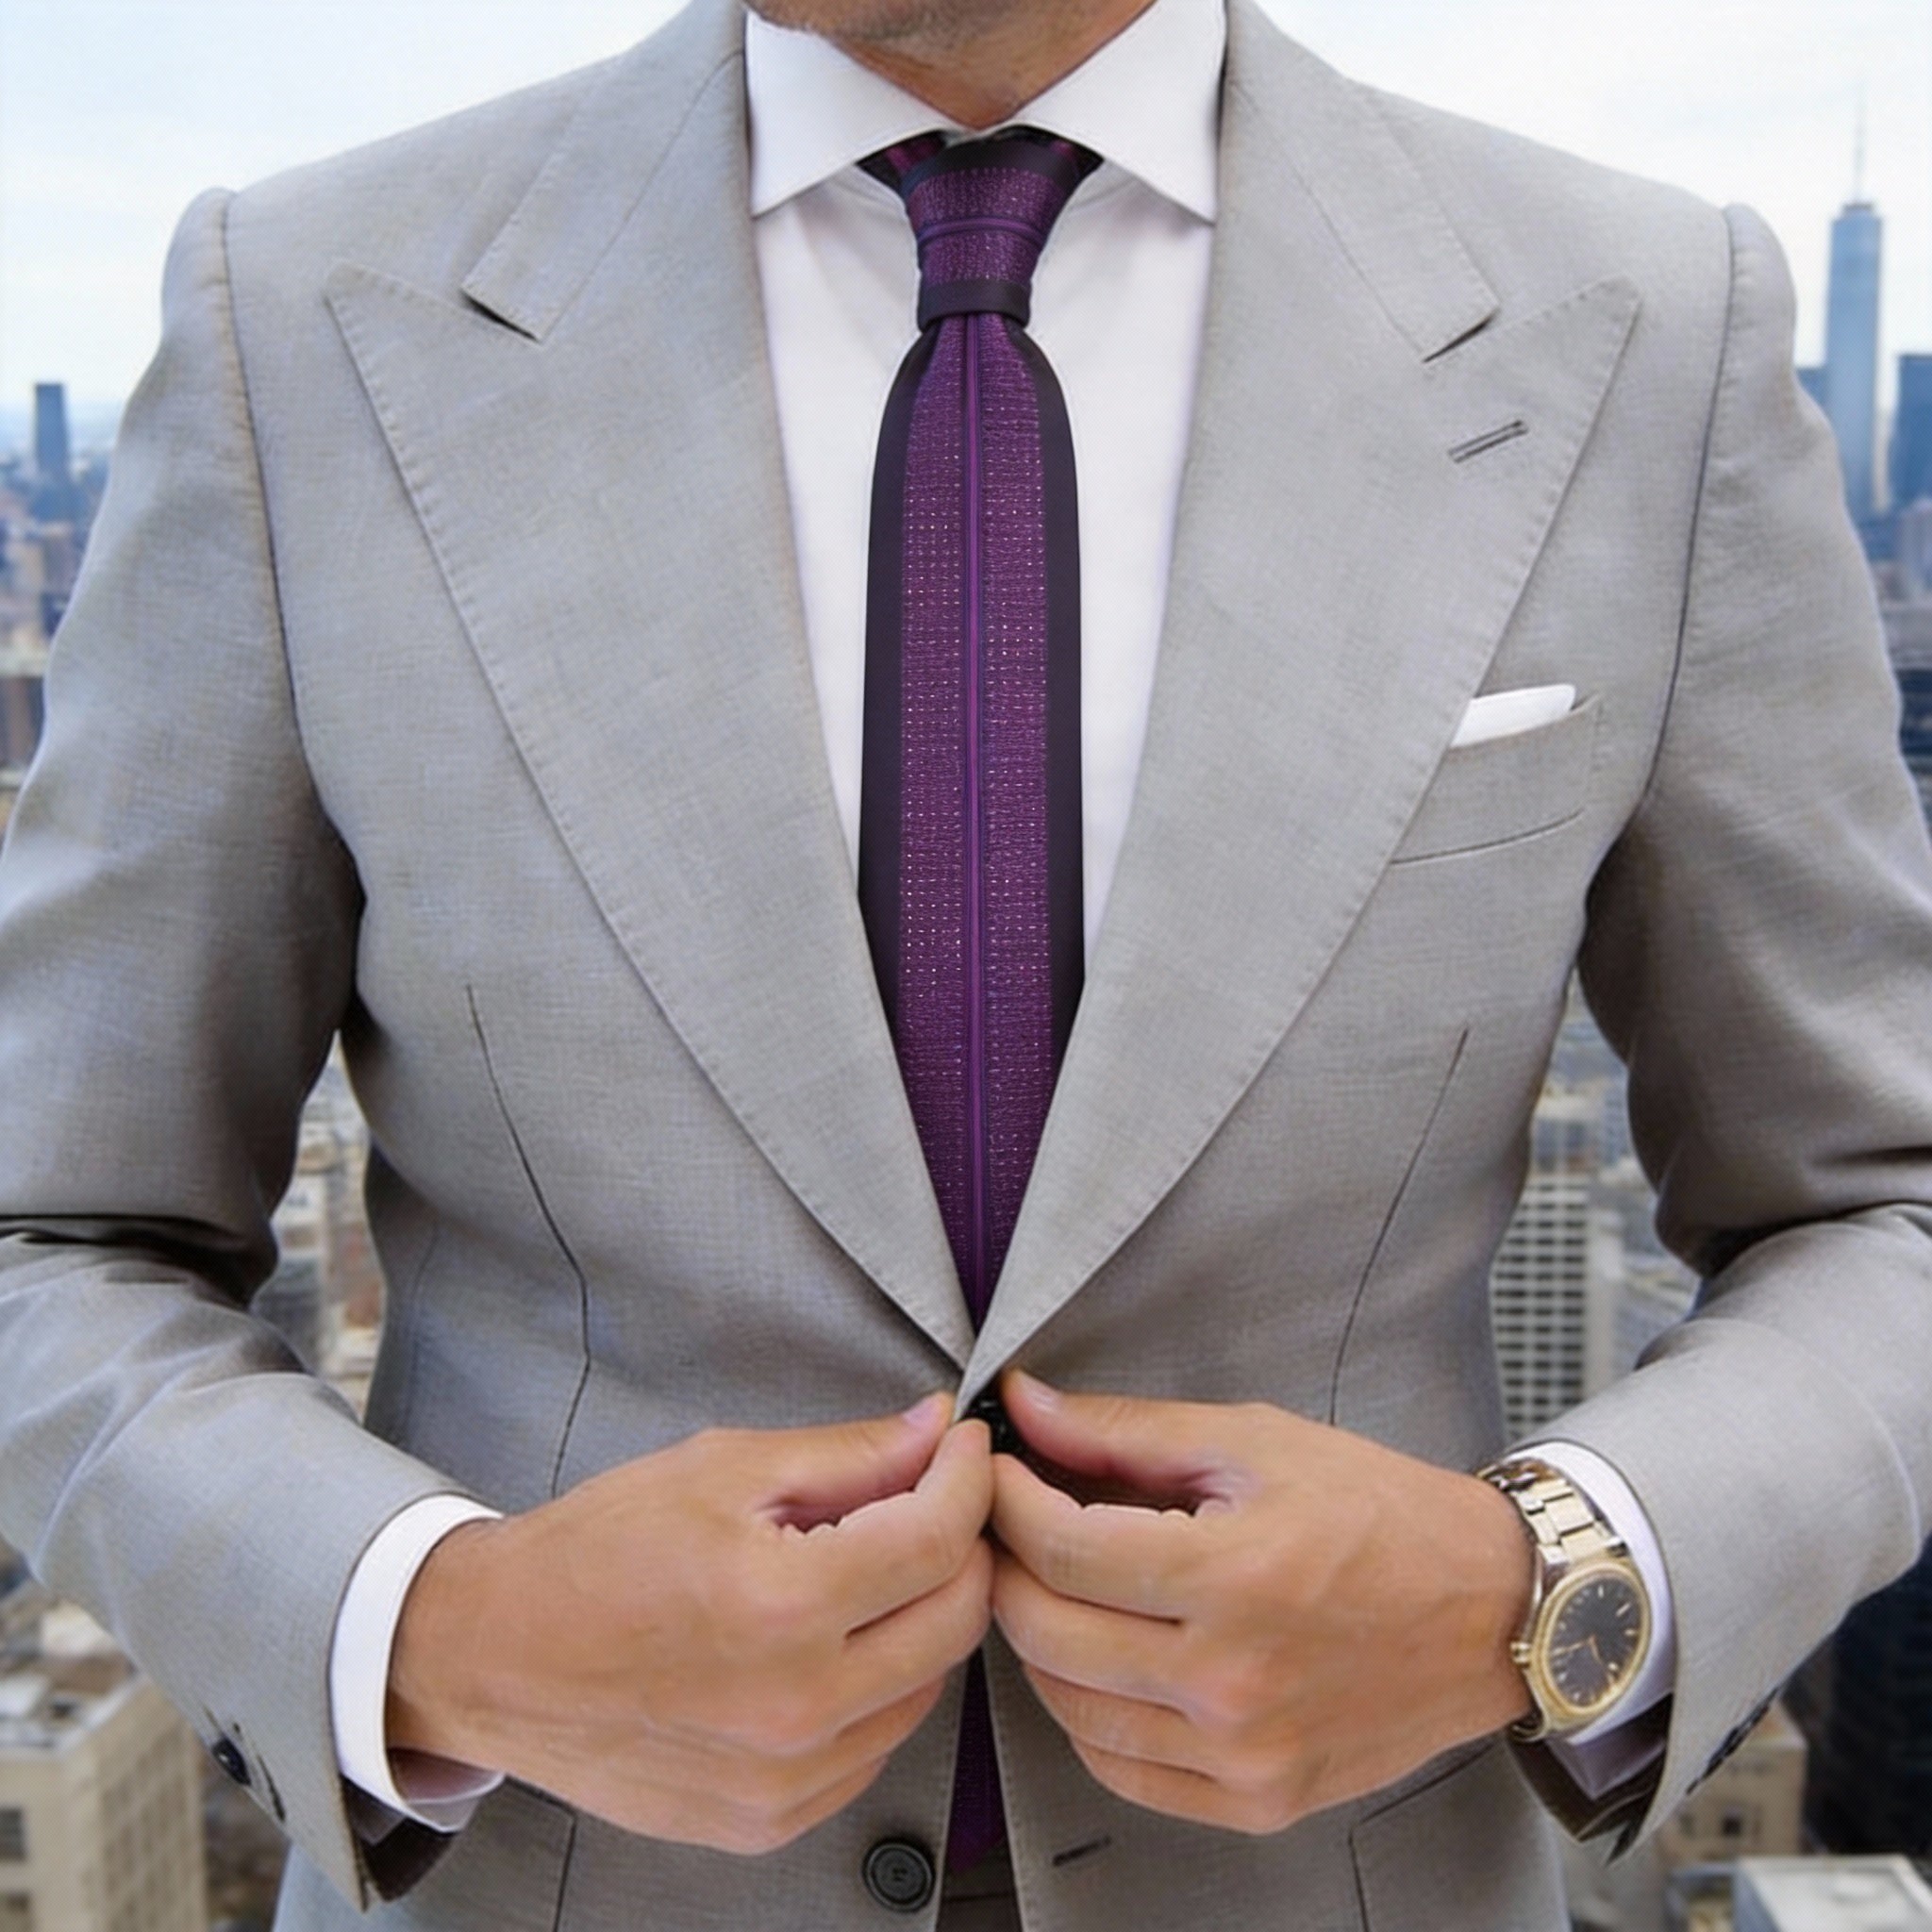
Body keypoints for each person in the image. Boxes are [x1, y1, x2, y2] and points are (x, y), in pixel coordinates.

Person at [2, 0, 1930, 1924]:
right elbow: (54, 1235)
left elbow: (1881, 1204)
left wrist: (1542, 1588)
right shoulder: (302, 319)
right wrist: (447, 1629)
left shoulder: (1647, 328)